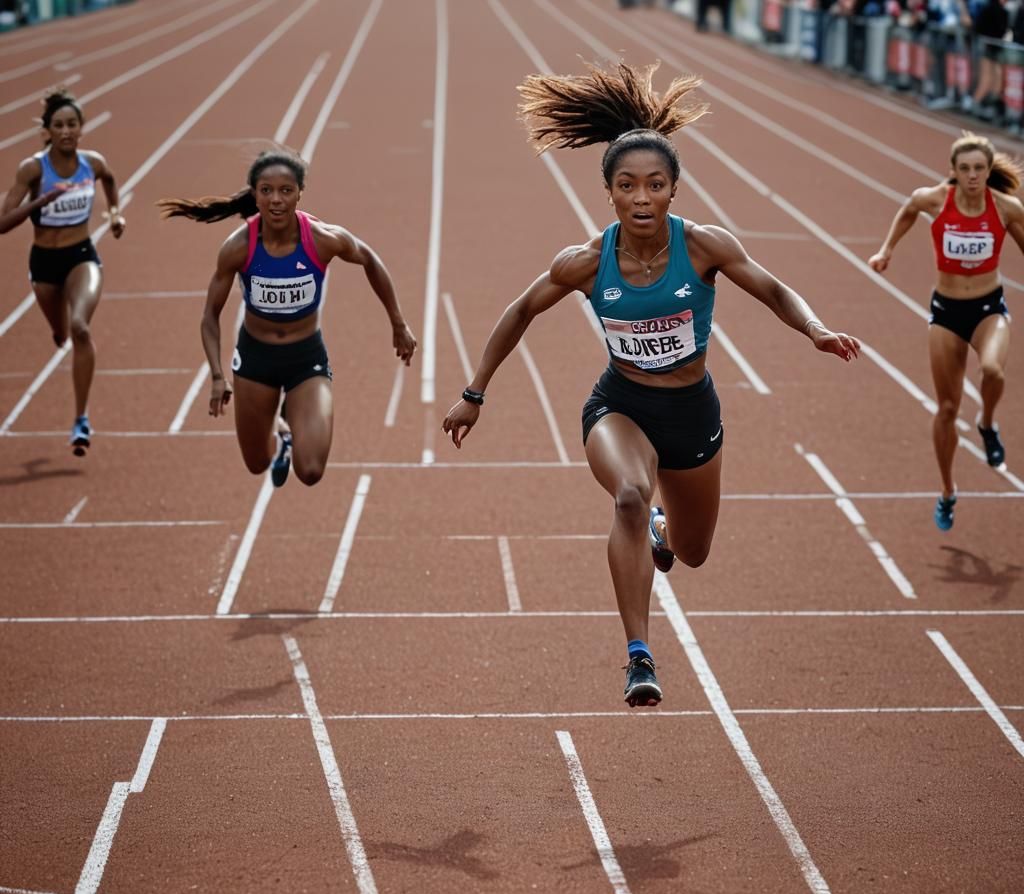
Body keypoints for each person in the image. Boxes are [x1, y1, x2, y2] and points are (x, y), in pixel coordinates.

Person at [441, 63, 861, 708]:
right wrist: (474, 394)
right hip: (621, 404)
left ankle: (667, 534)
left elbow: (773, 287)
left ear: (673, 190)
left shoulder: (705, 248)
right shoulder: (584, 261)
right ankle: (640, 655)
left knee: (693, 553)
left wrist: (815, 329)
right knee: (631, 497)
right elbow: (520, 310)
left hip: (692, 412)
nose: (641, 197)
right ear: (608, 192)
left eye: (655, 185)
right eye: (627, 185)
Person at [157, 150, 417, 488]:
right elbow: (210, 316)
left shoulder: (323, 239)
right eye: (266, 191)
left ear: (299, 194)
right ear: (254, 194)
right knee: (256, 463)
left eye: (285, 191)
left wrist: (398, 322)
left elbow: (369, 259)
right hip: (255, 360)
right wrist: (218, 376)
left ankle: (292, 425)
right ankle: (282, 433)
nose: (276, 200)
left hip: (305, 357)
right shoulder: (238, 248)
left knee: (310, 471)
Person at [868, 131, 1024, 530]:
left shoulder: (1006, 207)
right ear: (953, 171)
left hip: (989, 307)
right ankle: (948, 490)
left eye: (980, 169)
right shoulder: (934, 199)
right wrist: (887, 250)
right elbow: (907, 210)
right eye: (966, 168)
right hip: (946, 311)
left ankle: (987, 423)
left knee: (992, 370)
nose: (973, 175)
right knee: (947, 409)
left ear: (989, 172)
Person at [0, 88, 125, 456]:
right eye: (59, 125)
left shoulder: (93, 163)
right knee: (60, 331)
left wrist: (115, 215)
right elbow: (3, 223)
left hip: (81, 255)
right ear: (47, 132)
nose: (66, 131)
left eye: (72, 124)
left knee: (80, 327)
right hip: (44, 262)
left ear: (82, 128)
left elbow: (111, 180)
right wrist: (41, 201)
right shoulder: (33, 169)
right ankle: (58, 330)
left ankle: (81, 418)